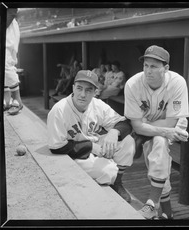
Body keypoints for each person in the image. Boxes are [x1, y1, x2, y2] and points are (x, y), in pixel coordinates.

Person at [47, 70, 135, 203]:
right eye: (79, 88)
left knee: (128, 142)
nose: (82, 94)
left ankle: (117, 182)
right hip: (72, 154)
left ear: (95, 92)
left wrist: (113, 132)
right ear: (73, 88)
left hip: (93, 147)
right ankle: (94, 182)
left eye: (88, 90)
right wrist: (91, 147)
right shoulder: (59, 110)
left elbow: (124, 124)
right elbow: (56, 147)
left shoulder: (97, 104)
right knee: (109, 171)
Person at [124, 45, 189, 219]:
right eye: (145, 65)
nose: (148, 70)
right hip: (146, 128)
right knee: (158, 165)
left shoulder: (177, 82)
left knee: (159, 143)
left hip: (172, 125)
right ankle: (167, 213)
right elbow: (136, 126)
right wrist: (150, 129)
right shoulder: (133, 84)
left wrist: (154, 129)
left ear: (166, 68)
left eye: (153, 66)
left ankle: (152, 203)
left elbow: (172, 122)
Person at [4, 8, 24, 115]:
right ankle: (7, 100)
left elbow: (12, 9)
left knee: (6, 63)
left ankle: (17, 100)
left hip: (8, 26)